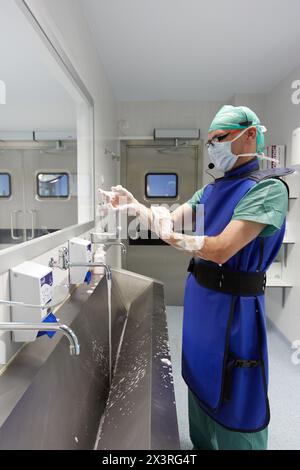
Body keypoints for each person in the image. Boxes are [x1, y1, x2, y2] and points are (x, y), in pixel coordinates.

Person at [99, 105, 294, 450]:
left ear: (250, 135)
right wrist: (134, 206)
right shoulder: (211, 191)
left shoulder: (267, 190)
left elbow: (220, 249)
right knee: (202, 374)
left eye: (219, 139)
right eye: (209, 142)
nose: (213, 147)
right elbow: (170, 223)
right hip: (202, 303)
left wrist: (173, 237)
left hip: (236, 309)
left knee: (236, 384)